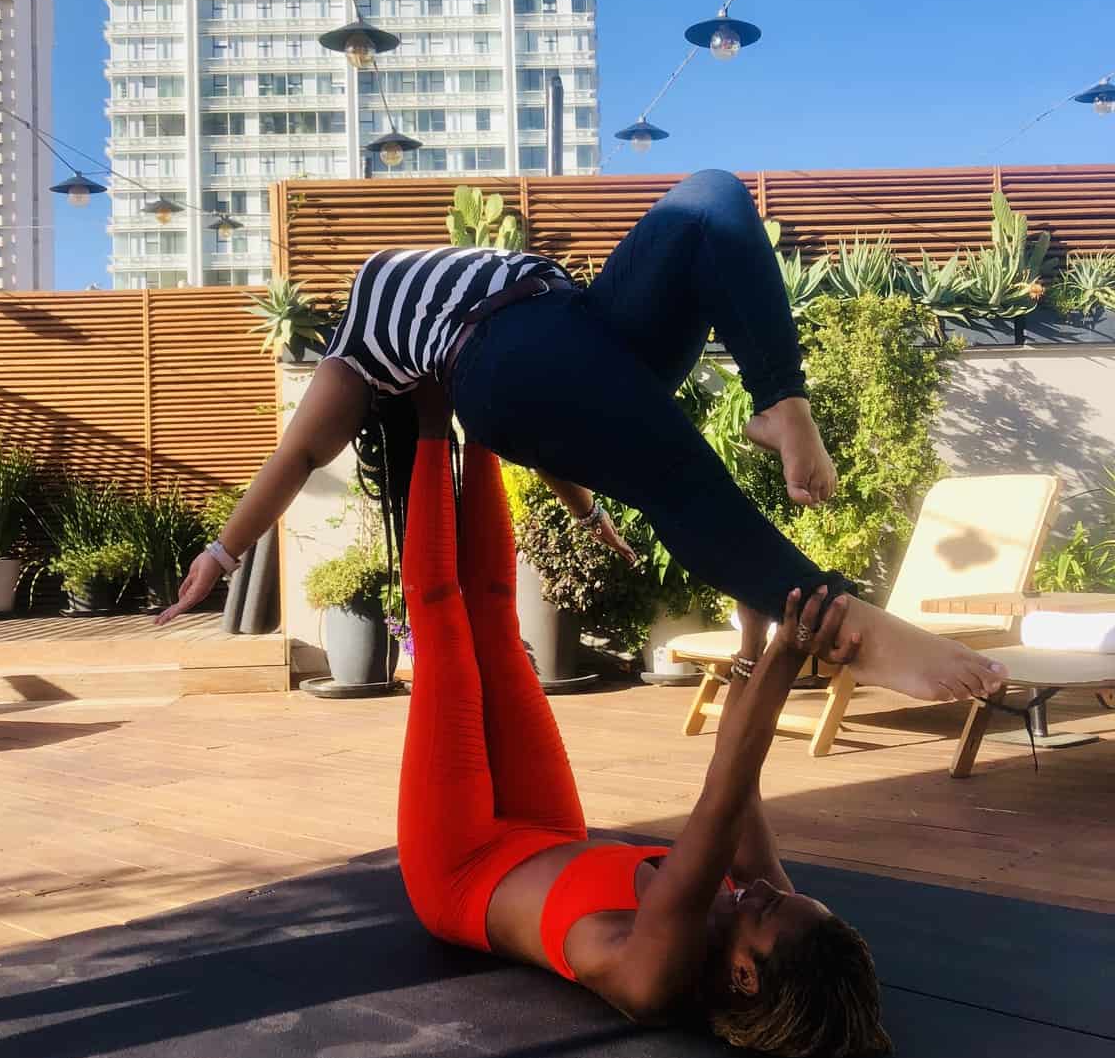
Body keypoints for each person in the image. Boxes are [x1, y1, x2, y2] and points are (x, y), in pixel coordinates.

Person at [160, 168, 1007, 710]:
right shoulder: (358, 346)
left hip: (585, 325)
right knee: (680, 474)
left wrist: (589, 511)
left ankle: (781, 402)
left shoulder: (475, 310)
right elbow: (296, 455)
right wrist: (221, 555)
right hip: (503, 355)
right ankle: (842, 622)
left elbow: (563, 418)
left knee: (710, 200)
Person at [397, 420, 891, 1058]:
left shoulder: (656, 980)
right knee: (495, 620)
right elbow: (740, 785)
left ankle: (433, 411)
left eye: (768, 911)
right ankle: (483, 407)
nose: (770, 891)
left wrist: (789, 649)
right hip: (550, 832)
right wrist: (750, 642)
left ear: (744, 975)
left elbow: (721, 795)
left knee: (444, 619)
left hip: (462, 867)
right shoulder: (761, 911)